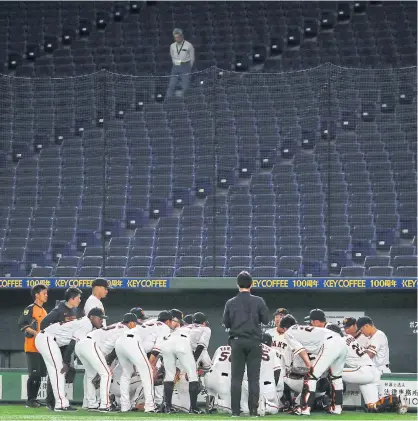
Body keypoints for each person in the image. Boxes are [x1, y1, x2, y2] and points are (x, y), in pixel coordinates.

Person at [35, 307, 107, 412]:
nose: (101, 320)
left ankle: (58, 403)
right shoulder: (87, 324)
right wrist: (66, 362)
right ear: (91, 317)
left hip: (47, 339)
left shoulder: (86, 323)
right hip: (47, 338)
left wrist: (67, 363)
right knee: (59, 370)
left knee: (55, 372)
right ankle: (61, 404)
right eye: (99, 318)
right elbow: (73, 343)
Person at [280, 314, 348, 416]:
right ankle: (337, 408)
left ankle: (304, 408)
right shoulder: (300, 328)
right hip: (341, 342)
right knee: (336, 378)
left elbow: (300, 350)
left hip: (329, 343)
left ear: (285, 328)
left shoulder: (289, 332)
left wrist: (308, 364)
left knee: (311, 376)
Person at [222, 271, 269, 417]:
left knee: (236, 378)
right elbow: (266, 320)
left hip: (237, 342)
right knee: (253, 378)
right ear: (252, 284)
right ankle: (253, 411)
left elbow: (226, 323)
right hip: (254, 342)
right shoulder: (259, 301)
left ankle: (235, 412)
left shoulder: (230, 302)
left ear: (237, 284)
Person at [75, 313, 137, 412]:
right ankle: (105, 404)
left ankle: (91, 404)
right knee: (106, 374)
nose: (136, 326)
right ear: (131, 323)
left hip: (81, 344)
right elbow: (116, 348)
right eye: (135, 323)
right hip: (91, 345)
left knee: (91, 375)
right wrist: (108, 364)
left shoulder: (117, 326)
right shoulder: (125, 330)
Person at [40, 287, 82, 410]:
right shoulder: (59, 309)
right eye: (78, 298)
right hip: (56, 345)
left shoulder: (74, 310)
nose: (80, 300)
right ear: (72, 298)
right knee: (56, 372)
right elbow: (44, 323)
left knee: (63, 372)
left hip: (66, 346)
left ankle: (61, 400)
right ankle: (51, 401)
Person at [159, 309, 206, 414]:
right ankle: (193, 408)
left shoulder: (183, 327)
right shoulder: (205, 328)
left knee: (169, 376)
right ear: (203, 322)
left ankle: (167, 406)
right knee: (193, 375)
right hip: (182, 343)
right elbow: (201, 346)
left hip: (168, 343)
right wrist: (193, 362)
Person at [18, 284, 48, 408]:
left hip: (41, 348)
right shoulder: (30, 309)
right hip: (32, 347)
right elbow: (22, 325)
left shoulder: (44, 311)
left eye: (46, 293)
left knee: (40, 374)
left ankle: (34, 399)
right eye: (44, 293)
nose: (46, 295)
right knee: (34, 374)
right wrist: (36, 333)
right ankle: (30, 400)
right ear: (37, 295)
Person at [165, 28, 194, 98]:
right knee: (172, 84)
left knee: (185, 85)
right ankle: (167, 99)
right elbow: (172, 57)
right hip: (176, 66)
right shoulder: (172, 46)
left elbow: (192, 57)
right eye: (175, 37)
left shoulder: (188, 45)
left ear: (181, 36)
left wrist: (188, 67)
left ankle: (184, 100)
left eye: (178, 37)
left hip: (186, 66)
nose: (177, 39)